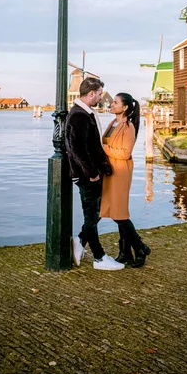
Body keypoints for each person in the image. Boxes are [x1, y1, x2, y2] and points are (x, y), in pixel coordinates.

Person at [65, 77, 125, 271]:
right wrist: (91, 173)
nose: (101, 97)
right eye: (99, 93)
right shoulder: (78, 115)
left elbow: (91, 146)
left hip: (92, 173)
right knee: (92, 216)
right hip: (86, 175)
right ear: (91, 94)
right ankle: (99, 258)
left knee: (97, 212)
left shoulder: (85, 112)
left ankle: (80, 240)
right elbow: (77, 149)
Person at [99, 93, 151, 268]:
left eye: (115, 102)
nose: (111, 104)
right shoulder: (112, 123)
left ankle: (140, 247)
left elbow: (125, 153)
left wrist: (104, 148)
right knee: (116, 212)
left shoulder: (128, 127)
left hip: (120, 172)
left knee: (119, 213)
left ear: (125, 107)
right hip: (110, 171)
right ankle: (125, 253)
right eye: (112, 102)